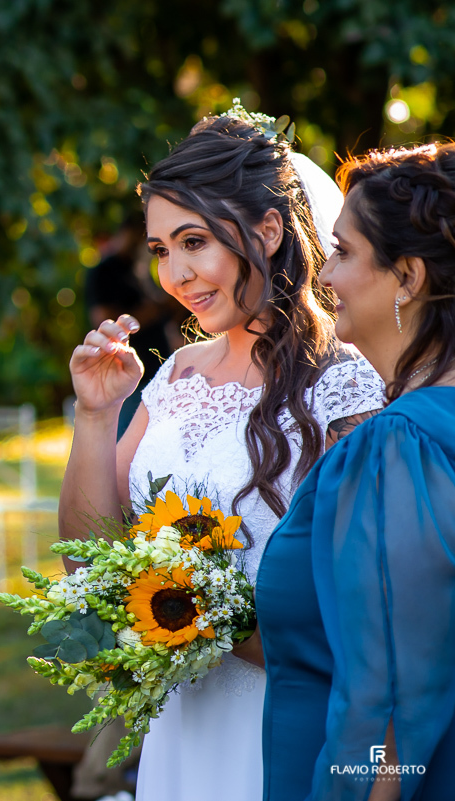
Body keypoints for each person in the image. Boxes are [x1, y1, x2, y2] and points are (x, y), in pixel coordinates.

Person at [57, 107, 384, 801]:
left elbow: (361, 603)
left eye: (194, 241)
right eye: (159, 250)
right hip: (181, 724)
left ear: (268, 230)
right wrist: (96, 412)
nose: (174, 273)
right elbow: (87, 560)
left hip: (283, 720)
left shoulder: (346, 385)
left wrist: (198, 612)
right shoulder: (175, 376)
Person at [259, 143, 455, 800]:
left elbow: (390, 701)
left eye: (342, 251)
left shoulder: (399, 443)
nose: (324, 277)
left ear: (408, 277)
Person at [84, 214, 183, 434]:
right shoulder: (104, 270)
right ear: (128, 233)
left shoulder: (138, 269)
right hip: (129, 376)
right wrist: (159, 309)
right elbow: (104, 319)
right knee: (124, 447)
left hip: (157, 371)